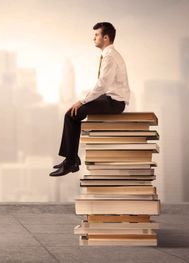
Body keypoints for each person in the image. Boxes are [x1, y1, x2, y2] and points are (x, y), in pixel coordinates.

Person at [49, 22, 130, 177]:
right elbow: (103, 85)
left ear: (106, 38)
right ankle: (71, 159)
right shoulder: (108, 55)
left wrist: (82, 101)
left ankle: (71, 161)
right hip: (111, 98)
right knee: (73, 113)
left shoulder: (110, 57)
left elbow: (102, 84)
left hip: (115, 103)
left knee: (71, 114)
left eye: (96, 35)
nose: (94, 38)